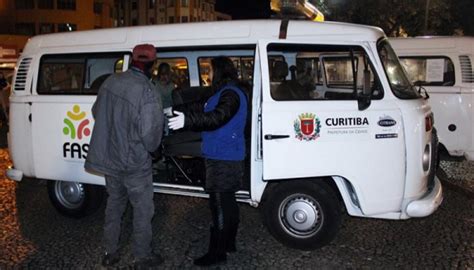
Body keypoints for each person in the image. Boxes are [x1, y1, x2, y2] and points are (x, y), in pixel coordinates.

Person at [84, 44, 164, 269]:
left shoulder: (111, 81)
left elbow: (96, 112)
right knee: (143, 210)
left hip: (111, 160)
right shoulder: (147, 91)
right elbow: (150, 135)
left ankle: (110, 252)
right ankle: (141, 256)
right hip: (134, 164)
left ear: (132, 60)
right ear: (152, 65)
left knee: (114, 205)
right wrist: (155, 149)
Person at [168, 56, 248, 267]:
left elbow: (216, 118)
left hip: (223, 157)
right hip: (225, 154)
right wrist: (178, 111)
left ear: (220, 71)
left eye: (210, 70)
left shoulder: (230, 94)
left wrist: (188, 121)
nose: (209, 74)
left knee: (219, 205)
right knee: (228, 202)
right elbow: (202, 105)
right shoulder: (225, 91)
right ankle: (228, 243)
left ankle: (217, 253)